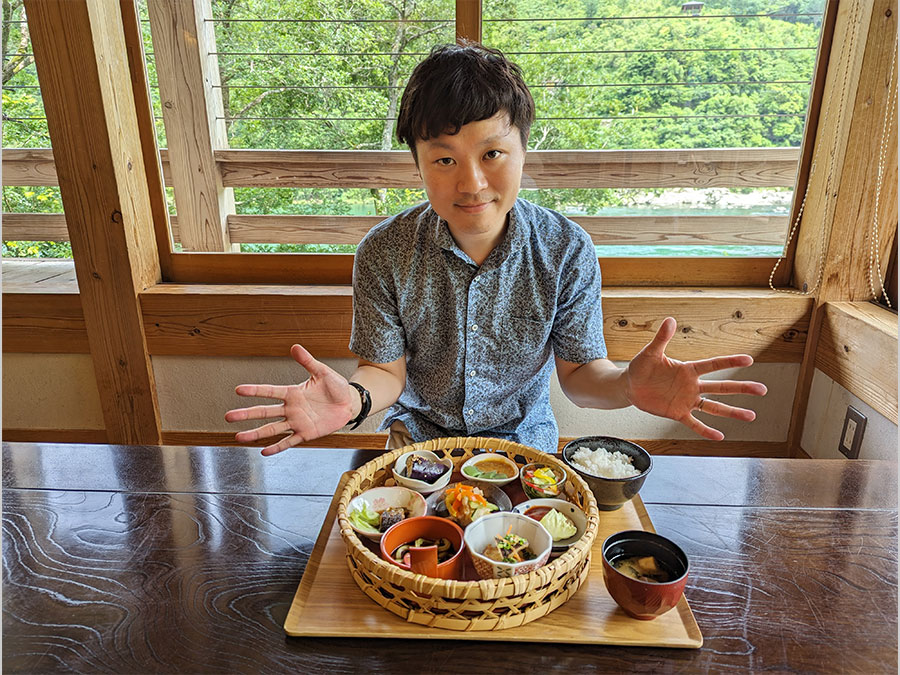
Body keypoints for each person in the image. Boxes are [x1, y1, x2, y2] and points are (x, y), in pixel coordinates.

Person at [225, 43, 767, 456]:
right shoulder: (384, 252)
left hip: (526, 448)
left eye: (492, 153)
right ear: (416, 163)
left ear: (524, 149)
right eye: (444, 159)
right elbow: (384, 373)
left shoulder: (566, 250)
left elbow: (580, 378)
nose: (472, 183)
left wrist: (628, 385)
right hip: (418, 448)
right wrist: (354, 400)